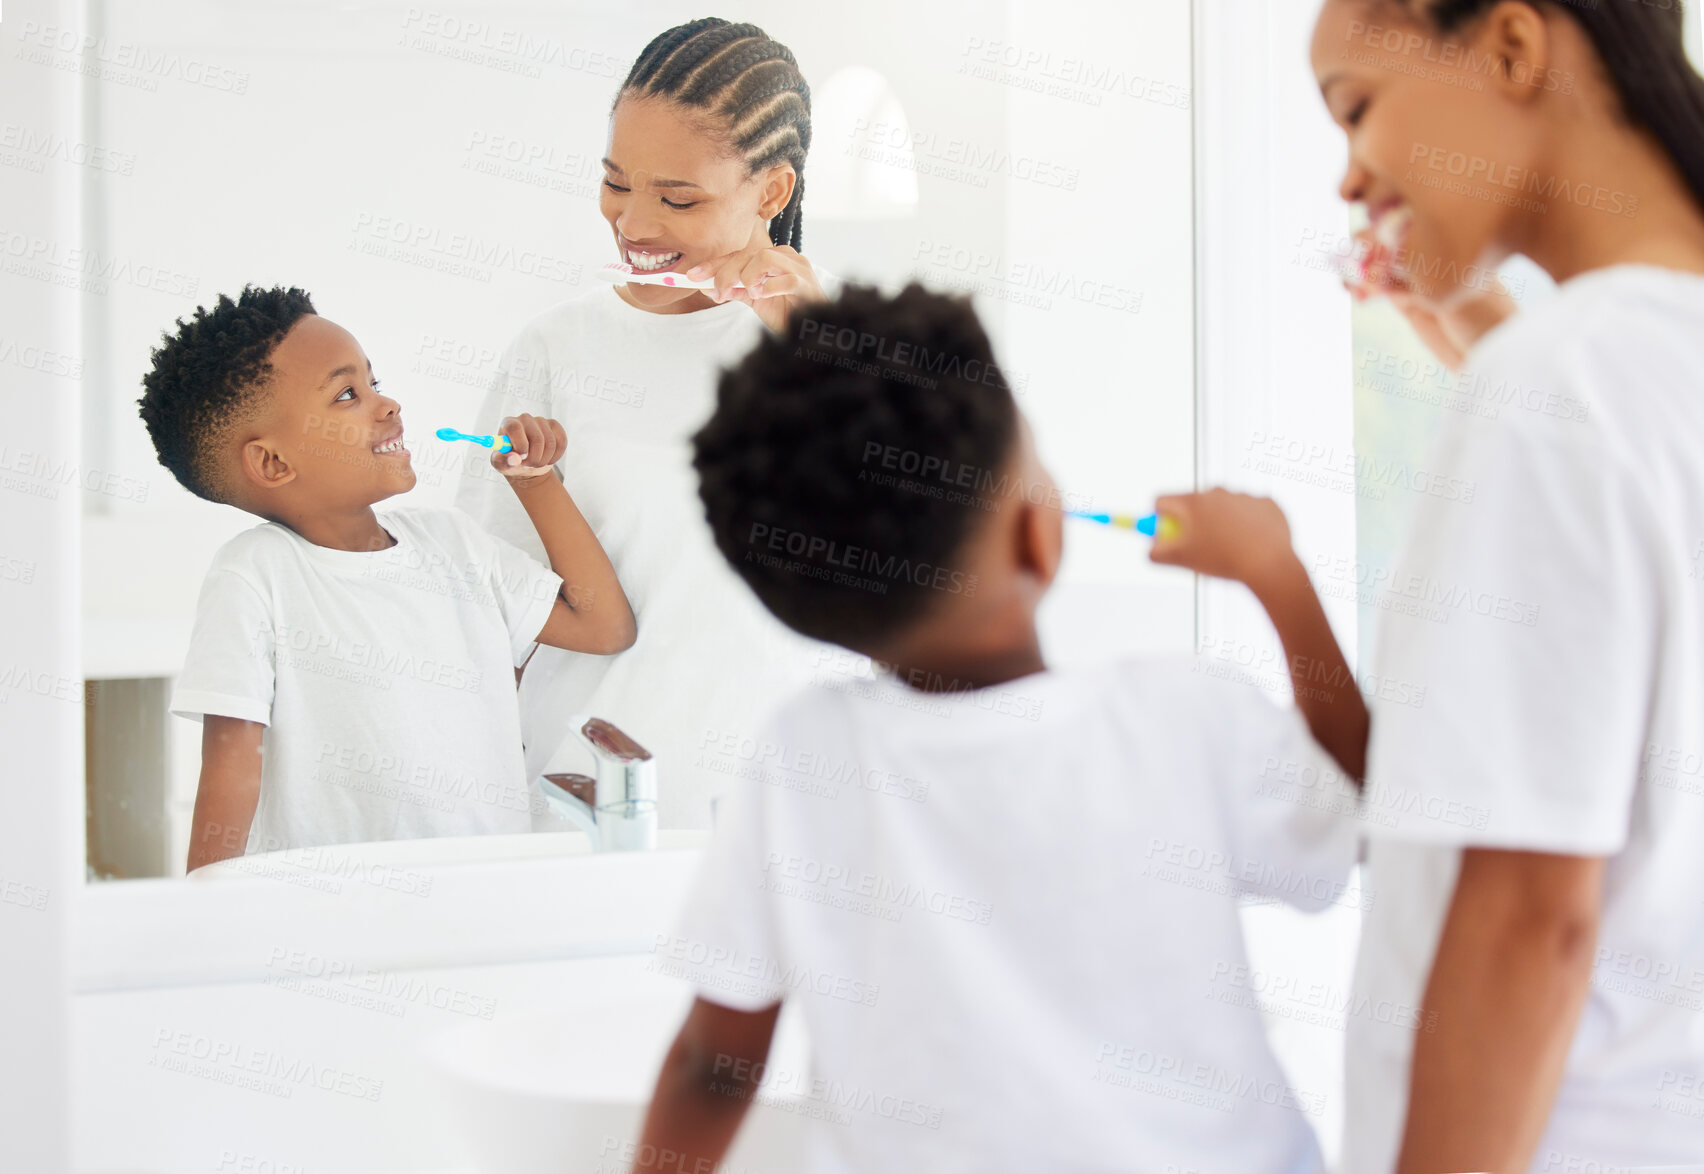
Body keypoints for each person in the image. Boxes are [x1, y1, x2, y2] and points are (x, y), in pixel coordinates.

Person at [631, 283, 1368, 1172]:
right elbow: (1359, 812)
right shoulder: (1184, 716)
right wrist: (1277, 574)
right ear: (1037, 536)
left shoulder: (803, 757)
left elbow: (713, 1064)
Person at [1175, 1, 1704, 1169]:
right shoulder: (1639, 363)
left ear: (1513, 46)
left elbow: (1529, 917)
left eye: (1356, 108)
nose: (1350, 181)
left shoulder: (1558, 385)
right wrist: (1478, 335)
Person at [454, 18, 832, 828]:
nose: (631, 223)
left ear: (772, 192)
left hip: (790, 816)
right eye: (616, 182)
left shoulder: (849, 348)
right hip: (583, 810)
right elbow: (492, 615)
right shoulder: (555, 347)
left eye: (677, 197)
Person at [137, 285, 633, 867]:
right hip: (337, 919)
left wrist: (537, 482)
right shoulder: (254, 575)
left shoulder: (455, 545)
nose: (387, 403)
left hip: (489, 893)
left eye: (374, 381)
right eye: (347, 394)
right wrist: (203, 918)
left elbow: (604, 627)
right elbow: (231, 766)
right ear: (273, 462)